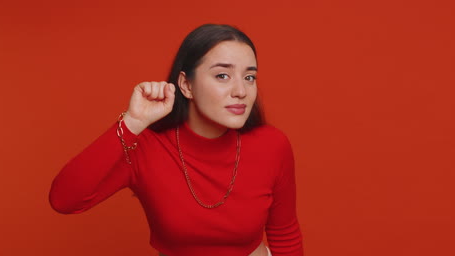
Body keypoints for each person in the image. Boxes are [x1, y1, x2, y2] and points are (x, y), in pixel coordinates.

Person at [49, 24, 303, 256]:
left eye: (249, 77)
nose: (241, 91)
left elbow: (285, 235)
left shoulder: (272, 145)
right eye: (222, 76)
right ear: (186, 85)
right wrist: (132, 123)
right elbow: (64, 200)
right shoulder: (145, 146)